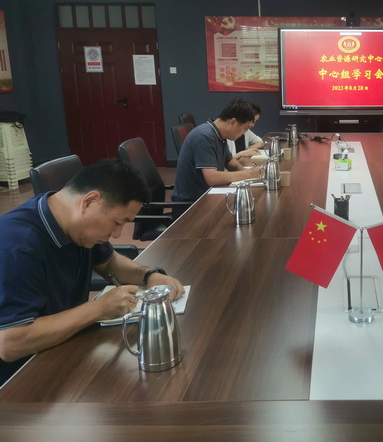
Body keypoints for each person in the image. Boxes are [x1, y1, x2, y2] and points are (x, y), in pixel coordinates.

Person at [0, 159, 185, 385]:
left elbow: (109, 263)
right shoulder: (16, 246)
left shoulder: (76, 224)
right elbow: (10, 343)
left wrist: (150, 275)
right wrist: (99, 309)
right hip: (22, 380)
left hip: (65, 348)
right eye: (117, 222)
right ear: (89, 201)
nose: (117, 234)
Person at [172, 98, 262, 206]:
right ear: (233, 122)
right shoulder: (204, 136)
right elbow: (212, 178)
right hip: (192, 204)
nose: (243, 134)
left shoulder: (218, 134)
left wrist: (246, 172)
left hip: (207, 195)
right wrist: (249, 174)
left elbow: (230, 161)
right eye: (245, 128)